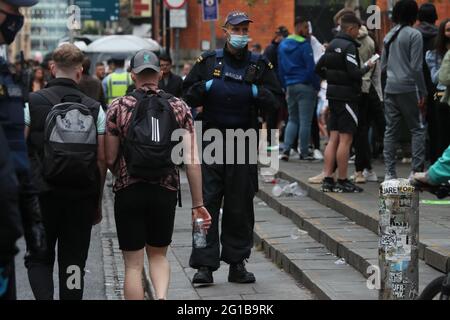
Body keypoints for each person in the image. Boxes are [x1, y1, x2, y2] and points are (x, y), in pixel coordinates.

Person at [183, 10, 283, 284]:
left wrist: (254, 92)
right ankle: (204, 265)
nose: (241, 34)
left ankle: (237, 263)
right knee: (206, 205)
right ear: (225, 31)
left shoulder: (259, 64)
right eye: (236, 30)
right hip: (212, 143)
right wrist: (206, 87)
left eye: (244, 30)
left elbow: (275, 100)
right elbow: (187, 94)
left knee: (240, 206)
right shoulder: (207, 62)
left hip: (243, 143)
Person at [105, 49, 211, 300]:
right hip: (165, 189)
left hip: (128, 189)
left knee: (132, 264)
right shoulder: (180, 107)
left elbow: (109, 158)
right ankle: (162, 297)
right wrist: (198, 204)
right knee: (159, 255)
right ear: (160, 73)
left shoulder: (118, 107)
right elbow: (192, 160)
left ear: (133, 75)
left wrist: (120, 173)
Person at [25, 43, 107, 300]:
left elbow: (20, 147)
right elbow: (103, 160)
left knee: (40, 258)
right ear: (80, 72)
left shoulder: (31, 103)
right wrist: (96, 199)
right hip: (80, 197)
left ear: (51, 69)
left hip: (41, 197)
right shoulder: (95, 108)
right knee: (73, 263)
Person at [0, 0, 46, 300]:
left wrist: (31, 219)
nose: (19, 18)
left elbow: (16, 149)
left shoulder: (5, 73)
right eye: (12, 9)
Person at [315, 14, 374, 193]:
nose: (359, 32)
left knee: (333, 138)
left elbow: (318, 68)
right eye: (357, 28)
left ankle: (327, 179)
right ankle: (342, 179)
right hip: (347, 97)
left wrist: (331, 80)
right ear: (350, 28)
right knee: (346, 139)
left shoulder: (332, 45)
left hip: (333, 96)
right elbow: (355, 73)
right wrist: (368, 66)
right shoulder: (349, 46)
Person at [382, 0, 427, 182]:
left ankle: (389, 173)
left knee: (390, 130)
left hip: (390, 87)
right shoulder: (414, 35)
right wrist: (423, 91)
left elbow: (383, 66)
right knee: (417, 129)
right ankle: (415, 172)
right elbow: (416, 67)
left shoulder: (389, 35)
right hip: (408, 87)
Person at [278, 16, 320, 161]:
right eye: (306, 28)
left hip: (290, 85)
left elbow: (281, 69)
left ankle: (286, 150)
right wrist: (316, 86)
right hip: (305, 86)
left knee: (292, 119)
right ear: (299, 27)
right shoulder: (304, 45)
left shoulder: (283, 44)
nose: (308, 31)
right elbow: (311, 69)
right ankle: (303, 152)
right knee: (305, 121)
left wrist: (285, 85)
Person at [416, 3, 439, 163]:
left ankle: (417, 163)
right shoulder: (440, 35)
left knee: (417, 126)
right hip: (436, 85)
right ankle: (435, 158)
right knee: (437, 125)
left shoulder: (414, 35)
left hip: (415, 84)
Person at [426, 18, 450, 163]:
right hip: (442, 97)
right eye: (448, 30)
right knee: (442, 134)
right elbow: (436, 78)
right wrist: (446, 64)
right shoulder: (434, 54)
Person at [263, 26, 289, 149]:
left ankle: (274, 140)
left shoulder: (272, 48)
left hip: (275, 86)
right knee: (275, 114)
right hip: (275, 87)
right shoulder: (276, 49)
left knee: (276, 114)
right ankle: (273, 141)